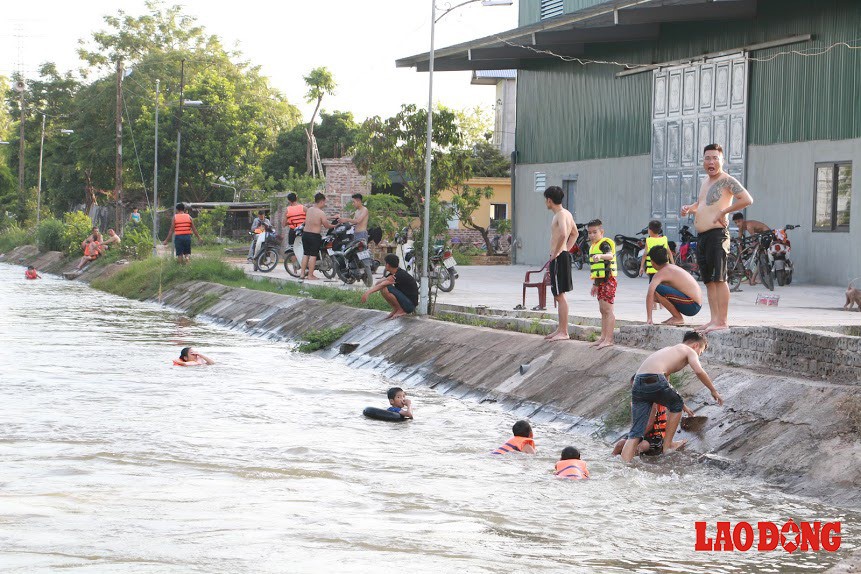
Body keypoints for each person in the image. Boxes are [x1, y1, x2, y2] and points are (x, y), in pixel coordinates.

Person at [681, 144, 753, 333]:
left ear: (722, 160)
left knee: (720, 279)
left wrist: (724, 211)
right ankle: (713, 320)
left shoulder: (727, 181)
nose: (711, 162)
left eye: (715, 158)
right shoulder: (705, 181)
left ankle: (722, 320)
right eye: (707, 158)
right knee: (709, 281)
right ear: (703, 161)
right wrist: (690, 208)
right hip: (702, 236)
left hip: (717, 235)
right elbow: (702, 203)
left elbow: (747, 199)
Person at [620, 332, 723, 462]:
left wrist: (682, 405)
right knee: (676, 404)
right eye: (700, 353)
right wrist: (713, 390)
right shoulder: (689, 350)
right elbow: (699, 371)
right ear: (696, 345)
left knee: (635, 433)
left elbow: (666, 386)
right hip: (655, 379)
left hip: (638, 382)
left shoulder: (668, 350)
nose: (698, 355)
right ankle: (667, 446)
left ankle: (623, 466)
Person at [613, 376, 695, 457]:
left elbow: (649, 425)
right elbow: (635, 422)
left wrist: (633, 440)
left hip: (656, 436)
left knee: (641, 447)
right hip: (640, 433)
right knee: (619, 445)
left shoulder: (653, 401)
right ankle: (613, 460)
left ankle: (632, 464)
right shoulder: (634, 402)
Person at [542, 185, 578, 342]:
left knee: (559, 295)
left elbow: (565, 233)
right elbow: (575, 233)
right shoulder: (567, 213)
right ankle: (560, 328)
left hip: (558, 257)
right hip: (561, 255)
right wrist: (566, 250)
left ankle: (564, 331)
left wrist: (558, 252)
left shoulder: (561, 215)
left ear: (549, 200)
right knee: (558, 294)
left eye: (546, 200)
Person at [646, 245, 703, 326]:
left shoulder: (660, 274)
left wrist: (649, 319)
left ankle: (678, 317)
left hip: (692, 305)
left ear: (652, 262)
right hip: (695, 304)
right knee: (657, 293)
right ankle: (675, 316)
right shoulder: (671, 267)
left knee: (657, 290)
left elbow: (649, 294)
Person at [587, 219, 617, 349]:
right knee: (602, 310)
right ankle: (603, 337)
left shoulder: (604, 244)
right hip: (601, 282)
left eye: (595, 232)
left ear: (601, 231)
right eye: (590, 233)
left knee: (608, 310)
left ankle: (609, 339)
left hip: (609, 280)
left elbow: (609, 256)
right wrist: (595, 284)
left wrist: (600, 256)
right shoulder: (595, 245)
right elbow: (599, 270)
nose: (592, 235)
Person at [361, 254, 419, 319]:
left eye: (385, 264)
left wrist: (367, 293)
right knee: (384, 287)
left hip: (409, 305)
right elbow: (378, 283)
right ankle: (396, 309)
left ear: (388, 265)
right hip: (406, 302)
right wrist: (386, 279)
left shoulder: (399, 274)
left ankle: (400, 310)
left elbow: (382, 285)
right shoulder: (393, 273)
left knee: (386, 287)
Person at [300, 193, 338, 280]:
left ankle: (302, 274)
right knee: (313, 255)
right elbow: (326, 225)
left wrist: (332, 217)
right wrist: (335, 226)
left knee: (306, 254)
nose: (324, 204)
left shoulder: (309, 210)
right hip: (314, 236)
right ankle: (310, 275)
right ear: (321, 201)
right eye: (324, 202)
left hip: (305, 235)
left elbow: (318, 218)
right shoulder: (321, 213)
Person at [732, 212, 770, 286]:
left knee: (758, 255)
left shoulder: (749, 225)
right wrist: (741, 254)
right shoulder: (740, 228)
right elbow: (739, 241)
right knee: (757, 258)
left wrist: (751, 249)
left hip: (767, 234)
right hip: (760, 236)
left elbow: (754, 240)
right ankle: (753, 279)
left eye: (739, 221)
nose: (737, 224)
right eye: (735, 222)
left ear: (743, 220)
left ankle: (755, 278)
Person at [340, 193, 372, 277]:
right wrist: (343, 222)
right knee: (354, 253)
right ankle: (354, 271)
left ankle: (368, 269)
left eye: (353, 202)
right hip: (355, 234)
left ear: (358, 201)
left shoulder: (364, 210)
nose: (353, 204)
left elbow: (358, 221)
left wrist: (346, 219)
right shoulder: (356, 211)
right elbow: (352, 222)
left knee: (363, 253)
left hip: (362, 234)